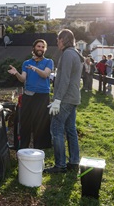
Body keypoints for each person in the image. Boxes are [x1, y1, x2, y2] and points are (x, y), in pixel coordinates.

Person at [44, 29, 84, 173]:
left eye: (58, 40)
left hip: (65, 98)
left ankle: (60, 165)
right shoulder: (76, 53)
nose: (57, 43)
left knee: (56, 130)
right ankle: (74, 162)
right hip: (73, 97)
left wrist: (57, 100)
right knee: (71, 130)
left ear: (63, 40)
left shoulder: (67, 54)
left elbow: (66, 79)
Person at [8, 39, 54, 149]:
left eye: (43, 47)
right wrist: (16, 74)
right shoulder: (26, 63)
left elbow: (45, 74)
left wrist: (36, 69)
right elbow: (23, 79)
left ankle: (39, 149)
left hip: (42, 96)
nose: (41, 49)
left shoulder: (49, 61)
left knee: (40, 124)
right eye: (38, 46)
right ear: (34, 48)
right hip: (28, 96)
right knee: (25, 123)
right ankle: (23, 147)